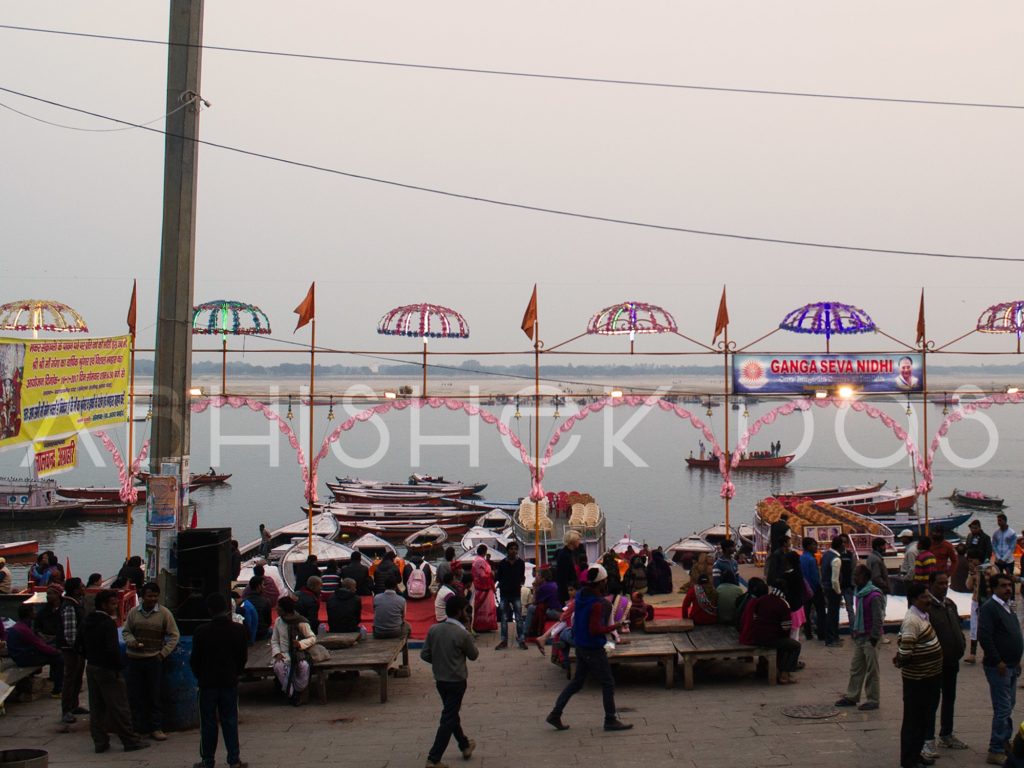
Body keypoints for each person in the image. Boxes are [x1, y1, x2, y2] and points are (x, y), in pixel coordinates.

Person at [546, 564, 632, 732]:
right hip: (593, 647)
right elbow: (595, 629)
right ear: (601, 583)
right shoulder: (597, 604)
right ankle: (610, 719)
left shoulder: (580, 596)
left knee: (577, 683)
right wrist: (615, 627)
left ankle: (555, 714)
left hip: (581, 645)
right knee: (608, 682)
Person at [81, 590, 149, 752]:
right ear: (104, 605)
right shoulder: (107, 623)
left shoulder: (87, 620)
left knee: (96, 707)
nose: (115, 607)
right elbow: (112, 650)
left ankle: (100, 741)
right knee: (119, 706)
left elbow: (79, 644)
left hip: (92, 666)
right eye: (112, 604)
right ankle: (129, 740)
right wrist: (119, 666)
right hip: (108, 669)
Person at [190, 591, 249, 768]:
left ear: (210, 610)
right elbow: (242, 657)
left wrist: (201, 676)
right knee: (230, 721)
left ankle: (208, 760)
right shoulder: (238, 630)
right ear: (226, 608)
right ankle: (234, 759)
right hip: (229, 682)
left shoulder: (201, 632)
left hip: (207, 683)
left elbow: (195, 660)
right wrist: (236, 673)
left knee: (208, 723)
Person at [421, 595, 479, 767]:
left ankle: (464, 744)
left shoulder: (434, 630)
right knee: (448, 717)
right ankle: (434, 758)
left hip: (440, 679)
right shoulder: (462, 634)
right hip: (457, 680)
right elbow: (474, 655)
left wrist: (439, 661)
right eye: (465, 611)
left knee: (450, 713)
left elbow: (425, 654)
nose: (467, 614)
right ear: (459, 612)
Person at [122, 581, 180, 742]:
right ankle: (137, 728)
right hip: (135, 659)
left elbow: (174, 636)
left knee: (154, 695)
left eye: (155, 596)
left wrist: (163, 654)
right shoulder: (134, 613)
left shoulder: (164, 614)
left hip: (154, 660)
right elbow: (126, 632)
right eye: (149, 596)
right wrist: (132, 641)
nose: (152, 599)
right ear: (142, 597)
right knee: (135, 695)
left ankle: (156, 727)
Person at [895, 582, 943, 768]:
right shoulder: (911, 621)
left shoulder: (923, 616)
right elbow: (906, 652)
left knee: (923, 719)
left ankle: (916, 754)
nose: (928, 599)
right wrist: (901, 658)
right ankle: (908, 759)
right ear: (915, 600)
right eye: (924, 597)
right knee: (913, 721)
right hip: (917, 680)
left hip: (929, 678)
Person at [978, 573, 1024, 765]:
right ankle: (996, 748)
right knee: (1003, 708)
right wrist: (998, 661)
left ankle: (1004, 742)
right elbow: (985, 636)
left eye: (1009, 586)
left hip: (1012, 666)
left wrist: (1016, 660)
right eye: (1003, 586)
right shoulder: (990, 608)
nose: (1008, 589)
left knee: (1009, 705)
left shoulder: (1008, 606)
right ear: (994, 588)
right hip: (999, 668)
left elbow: (1013, 632)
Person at [922, 571, 968, 756]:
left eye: (946, 583)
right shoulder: (926, 607)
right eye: (940, 583)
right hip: (934, 664)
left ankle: (946, 734)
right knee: (932, 702)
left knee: (950, 698)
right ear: (931, 584)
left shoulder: (949, 605)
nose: (944, 587)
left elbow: (956, 625)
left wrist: (961, 645)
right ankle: (928, 739)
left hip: (951, 661)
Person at [835, 565, 884, 710]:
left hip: (870, 637)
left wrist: (874, 638)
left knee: (871, 669)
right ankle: (852, 695)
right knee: (856, 668)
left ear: (865, 577)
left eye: (857, 575)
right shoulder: (860, 593)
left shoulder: (874, 595)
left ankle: (873, 699)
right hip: (860, 636)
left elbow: (878, 619)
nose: (854, 578)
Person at [746, 580, 801, 684]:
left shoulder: (762, 600)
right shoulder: (783, 604)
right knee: (795, 646)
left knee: (783, 644)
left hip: (757, 636)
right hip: (772, 639)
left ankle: (764, 668)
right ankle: (785, 674)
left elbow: (754, 618)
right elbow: (786, 627)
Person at [7, 603, 63, 697]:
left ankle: (55, 682)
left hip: (21, 654)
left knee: (53, 649)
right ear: (29, 613)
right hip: (24, 658)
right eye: (33, 610)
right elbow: (39, 645)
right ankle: (57, 690)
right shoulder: (24, 629)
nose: (35, 612)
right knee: (58, 658)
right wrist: (55, 651)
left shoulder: (20, 625)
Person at [271, 596, 316, 705]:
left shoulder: (301, 622)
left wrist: (300, 644)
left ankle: (299, 690)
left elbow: (312, 638)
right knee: (278, 667)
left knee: (303, 666)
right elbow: (274, 640)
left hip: (299, 653)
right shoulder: (278, 621)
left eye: (279, 607)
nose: (276, 609)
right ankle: (292, 693)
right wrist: (277, 653)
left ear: (284, 609)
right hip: (284, 654)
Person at [57, 577, 88, 724]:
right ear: (76, 590)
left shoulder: (76, 603)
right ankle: (66, 710)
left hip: (78, 648)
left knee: (77, 677)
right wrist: (77, 647)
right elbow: (70, 632)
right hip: (71, 649)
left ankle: (74, 705)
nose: (84, 588)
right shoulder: (69, 606)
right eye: (82, 586)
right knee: (70, 678)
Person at [966, 548, 1000, 664]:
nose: (970, 563)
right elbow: (969, 586)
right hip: (976, 601)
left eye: (972, 560)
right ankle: (972, 654)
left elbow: (997, 584)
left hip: (988, 602)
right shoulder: (974, 571)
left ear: (977, 560)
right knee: (974, 627)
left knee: (989, 628)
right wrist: (971, 574)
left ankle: (988, 653)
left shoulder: (991, 569)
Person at [495, 541, 527, 650]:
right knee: (504, 618)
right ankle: (504, 641)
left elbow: (522, 576)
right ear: (507, 550)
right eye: (511, 549)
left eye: (515, 549)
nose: (514, 551)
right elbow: (499, 577)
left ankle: (521, 640)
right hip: (504, 593)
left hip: (516, 593)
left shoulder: (520, 563)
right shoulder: (502, 563)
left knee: (519, 618)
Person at [525, 568, 563, 640]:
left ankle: (525, 632)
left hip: (554, 612)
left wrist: (535, 587)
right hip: (558, 611)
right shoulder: (553, 584)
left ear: (543, 578)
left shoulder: (543, 587)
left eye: (538, 576)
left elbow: (535, 602)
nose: (536, 578)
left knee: (531, 608)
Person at [800, 538, 825, 640]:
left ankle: (808, 633)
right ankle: (821, 633)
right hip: (814, 589)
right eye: (814, 545)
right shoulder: (811, 559)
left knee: (806, 611)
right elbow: (815, 577)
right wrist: (819, 587)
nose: (816, 547)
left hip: (804, 589)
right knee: (820, 611)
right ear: (809, 546)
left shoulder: (801, 558)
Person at [821, 536, 844, 647]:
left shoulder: (826, 555)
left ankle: (834, 636)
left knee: (831, 614)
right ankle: (831, 639)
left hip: (826, 587)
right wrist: (839, 592)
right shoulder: (836, 559)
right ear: (840, 546)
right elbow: (835, 580)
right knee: (833, 615)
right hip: (833, 590)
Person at [470, 544, 497, 632]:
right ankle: (483, 626)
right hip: (484, 586)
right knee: (485, 608)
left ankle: (481, 625)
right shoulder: (480, 561)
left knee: (481, 608)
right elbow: (482, 575)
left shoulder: (476, 560)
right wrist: (491, 574)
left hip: (479, 586)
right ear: (485, 552)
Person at [554, 530, 581, 603]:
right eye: (578, 540)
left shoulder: (567, 553)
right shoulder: (565, 556)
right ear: (572, 541)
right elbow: (564, 577)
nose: (579, 542)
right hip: (567, 593)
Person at [993, 514, 1018, 594]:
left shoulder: (1012, 533)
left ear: (1005, 521)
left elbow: (1012, 548)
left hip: (1008, 561)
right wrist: (998, 557)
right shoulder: (996, 533)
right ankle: (1000, 594)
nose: (998, 522)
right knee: (998, 579)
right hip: (998, 560)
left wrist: (1003, 559)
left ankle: (1012, 598)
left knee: (1010, 579)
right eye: (998, 521)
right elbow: (994, 545)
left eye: (1000, 520)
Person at [244, 576, 272, 641]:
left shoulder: (245, 600)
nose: (264, 587)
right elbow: (268, 622)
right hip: (261, 633)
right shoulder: (266, 601)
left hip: (248, 633)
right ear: (259, 586)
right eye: (263, 584)